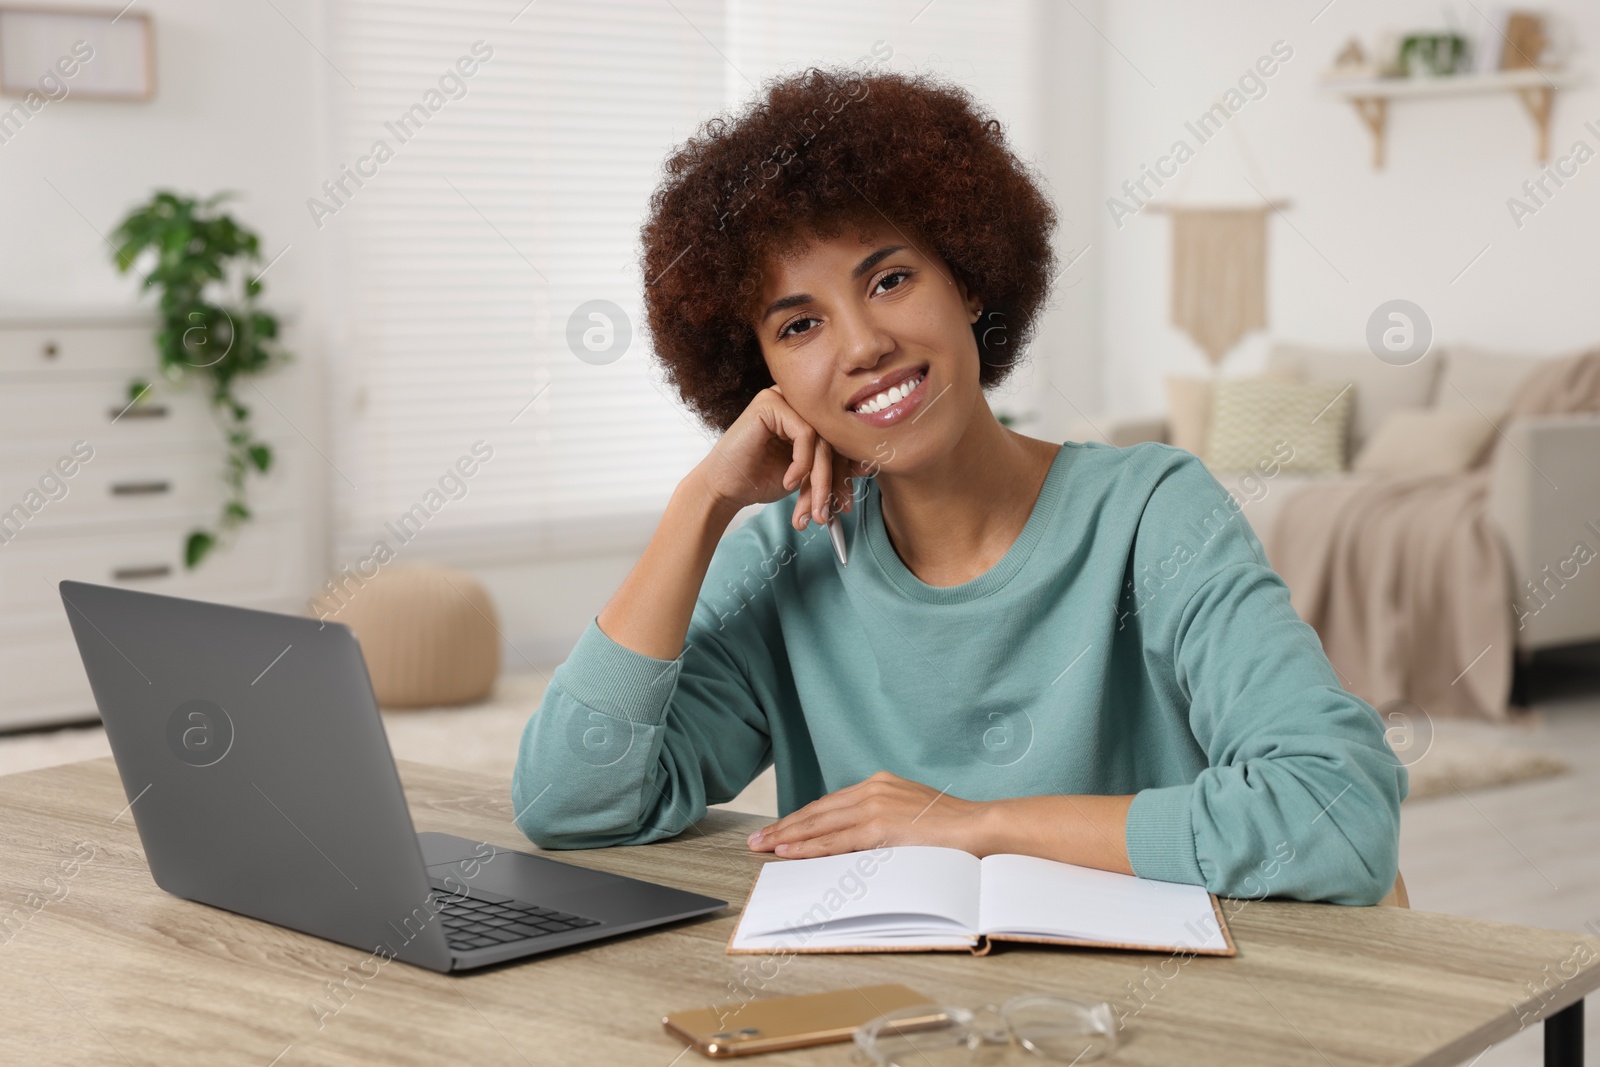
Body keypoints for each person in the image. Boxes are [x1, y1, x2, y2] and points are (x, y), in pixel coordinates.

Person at [511, 66, 1406, 904]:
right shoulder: (786, 555)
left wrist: (972, 826)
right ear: (762, 375)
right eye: (800, 325)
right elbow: (569, 801)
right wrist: (702, 501)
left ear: (969, 282)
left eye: (891, 279)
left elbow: (1339, 814)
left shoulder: (1150, 513)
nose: (862, 345)